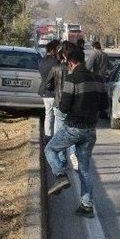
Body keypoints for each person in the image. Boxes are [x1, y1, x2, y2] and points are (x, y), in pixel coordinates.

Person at [44, 47, 107, 218]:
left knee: (49, 149)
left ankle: (60, 175)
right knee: (84, 169)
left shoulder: (72, 79)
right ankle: (86, 206)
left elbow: (64, 107)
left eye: (67, 63)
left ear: (70, 62)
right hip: (90, 130)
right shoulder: (98, 79)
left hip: (73, 128)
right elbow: (104, 106)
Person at [46, 41, 78, 171]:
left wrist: (56, 91)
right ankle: (73, 154)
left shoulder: (56, 68)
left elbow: (48, 85)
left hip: (59, 104)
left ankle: (61, 163)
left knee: (59, 133)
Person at [38, 39, 60, 139]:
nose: (57, 51)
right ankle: (55, 137)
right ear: (52, 50)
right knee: (56, 116)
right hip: (54, 92)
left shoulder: (41, 61)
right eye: (56, 50)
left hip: (45, 92)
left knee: (48, 114)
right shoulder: (55, 62)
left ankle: (47, 135)